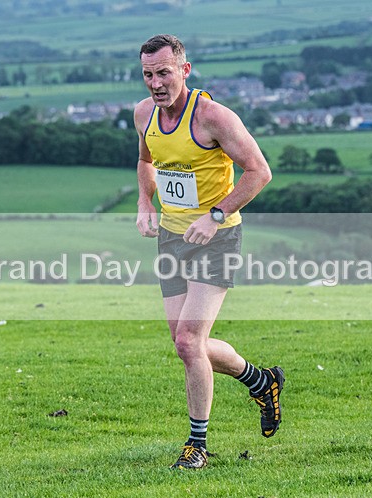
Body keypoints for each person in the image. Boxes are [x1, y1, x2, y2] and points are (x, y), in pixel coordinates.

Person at [133, 34, 285, 470]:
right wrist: (146, 203)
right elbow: (146, 161)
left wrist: (216, 215)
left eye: (164, 72)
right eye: (148, 74)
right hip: (172, 238)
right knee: (185, 346)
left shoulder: (214, 117)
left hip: (216, 237)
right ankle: (261, 380)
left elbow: (260, 172)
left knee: (189, 339)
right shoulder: (144, 114)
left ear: (184, 69)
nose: (156, 83)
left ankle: (196, 445)